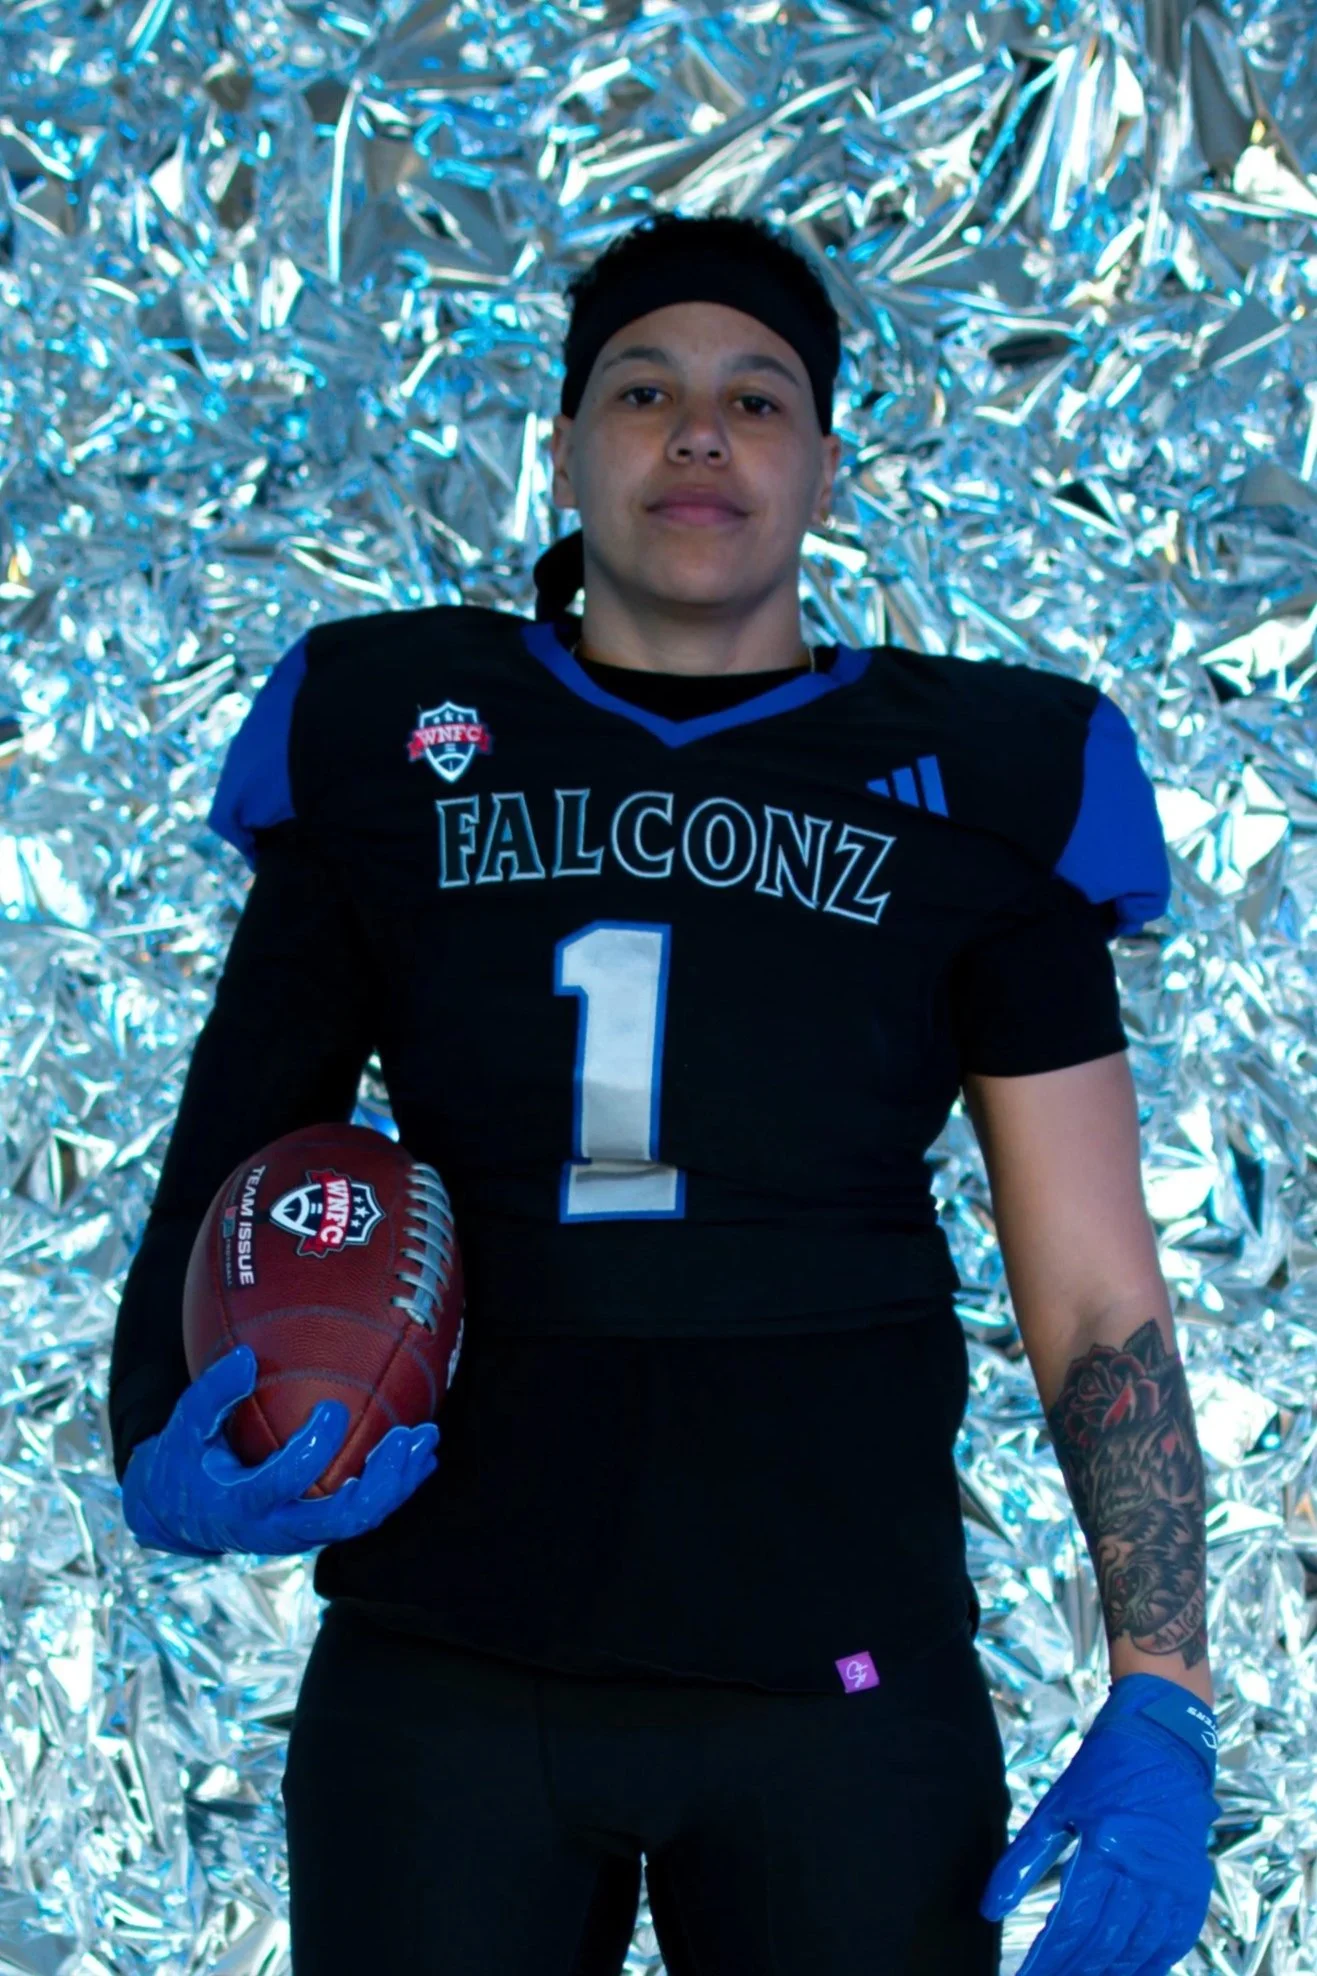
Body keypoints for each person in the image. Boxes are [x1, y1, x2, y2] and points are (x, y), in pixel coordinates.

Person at [110, 212, 1220, 1975]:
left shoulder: (995, 775)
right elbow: (234, 1155)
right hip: (443, 1665)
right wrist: (156, 1437)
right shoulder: (391, 727)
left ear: (827, 468)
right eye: (643, 387)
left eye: (756, 398)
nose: (698, 432)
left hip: (844, 1682)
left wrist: (1163, 1688)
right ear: (561, 451)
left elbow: (1092, 1287)